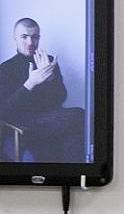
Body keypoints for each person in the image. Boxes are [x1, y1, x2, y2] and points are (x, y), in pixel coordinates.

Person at [0, 17, 85, 162]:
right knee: (80, 115)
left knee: (76, 143)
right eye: (24, 37)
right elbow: (4, 111)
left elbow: (61, 98)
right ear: (15, 38)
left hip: (51, 121)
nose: (30, 42)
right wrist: (30, 84)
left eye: (35, 37)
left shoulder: (49, 61)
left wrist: (51, 80)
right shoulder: (5, 69)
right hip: (23, 125)